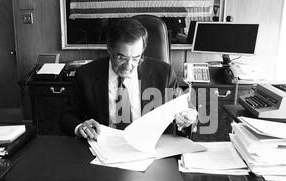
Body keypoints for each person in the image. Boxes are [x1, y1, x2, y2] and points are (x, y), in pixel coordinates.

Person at [60, 18, 197, 140]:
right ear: (109, 49)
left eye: (136, 58)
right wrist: (80, 128)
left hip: (149, 150)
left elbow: (186, 110)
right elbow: (66, 116)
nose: (129, 66)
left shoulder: (163, 73)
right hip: (103, 148)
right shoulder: (86, 75)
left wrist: (186, 118)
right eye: (122, 58)